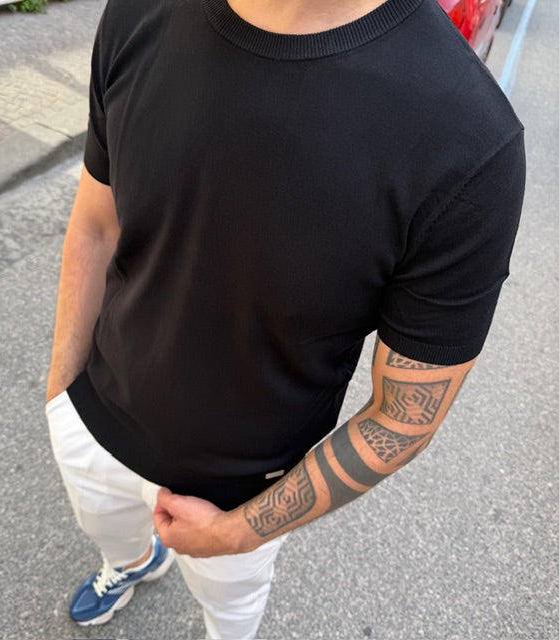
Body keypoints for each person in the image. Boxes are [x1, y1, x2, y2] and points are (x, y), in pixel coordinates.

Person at [45, 0, 525, 637]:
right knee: (108, 535)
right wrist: (60, 393)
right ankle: (131, 564)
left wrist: (240, 531)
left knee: (230, 614)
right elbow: (96, 223)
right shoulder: (139, 12)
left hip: (242, 490)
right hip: (92, 415)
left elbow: (404, 416)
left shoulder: (469, 137)